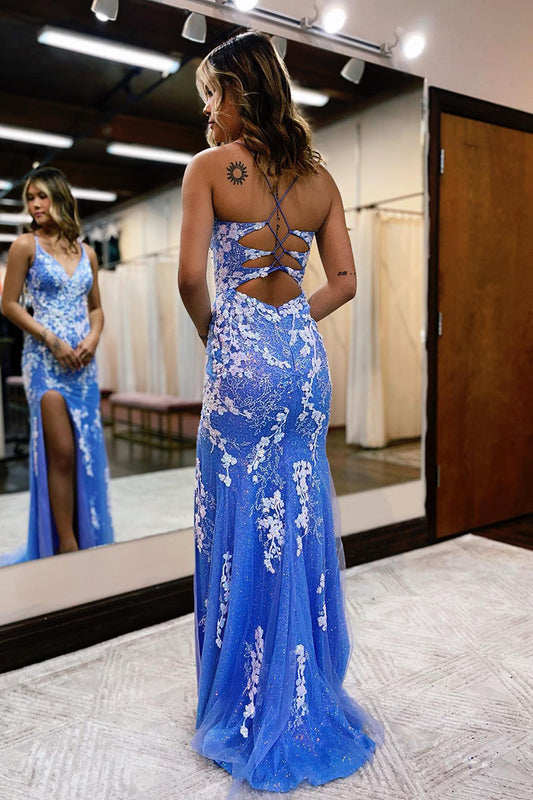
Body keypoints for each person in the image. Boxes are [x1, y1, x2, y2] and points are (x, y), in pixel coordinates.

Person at [179, 31, 384, 794]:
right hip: (301, 362)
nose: (207, 110)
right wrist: (292, 318)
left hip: (240, 354)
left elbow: (188, 279)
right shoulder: (317, 178)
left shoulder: (209, 169)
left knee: (236, 512)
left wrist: (223, 334)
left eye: (212, 93)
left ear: (239, 90)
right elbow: (345, 280)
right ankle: (303, 688)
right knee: (297, 511)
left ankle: (245, 697)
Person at [0, 166, 113, 565]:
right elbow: (9, 304)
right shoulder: (25, 246)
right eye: (29, 198)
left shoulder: (88, 253)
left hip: (82, 364)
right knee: (61, 451)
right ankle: (65, 544)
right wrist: (51, 339)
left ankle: (85, 532)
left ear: (60, 198)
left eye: (41, 196)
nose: (34, 204)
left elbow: (96, 308)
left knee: (85, 450)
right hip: (45, 362)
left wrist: (93, 337)